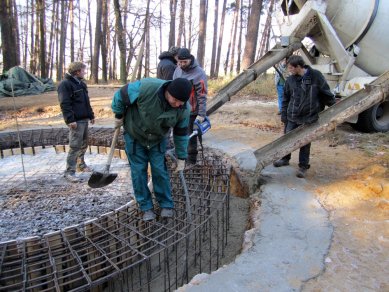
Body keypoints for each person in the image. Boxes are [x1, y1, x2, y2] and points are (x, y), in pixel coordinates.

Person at [111, 77, 192, 221]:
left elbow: (181, 134)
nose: (177, 104)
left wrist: (181, 157)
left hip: (157, 139)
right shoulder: (146, 88)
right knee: (139, 171)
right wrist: (118, 114)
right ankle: (145, 207)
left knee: (159, 170)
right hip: (135, 134)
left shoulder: (184, 109)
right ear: (168, 91)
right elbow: (121, 95)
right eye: (175, 100)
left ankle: (166, 205)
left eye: (181, 102)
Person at [273, 55, 336, 178]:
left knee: (305, 142)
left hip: (309, 117)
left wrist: (334, 108)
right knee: (287, 139)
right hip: (292, 116)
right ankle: (285, 159)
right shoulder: (290, 80)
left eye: (291, 68)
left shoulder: (316, 76)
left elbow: (326, 93)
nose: (289, 70)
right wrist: (284, 115)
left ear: (298, 67)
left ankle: (303, 166)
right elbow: (285, 98)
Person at [58, 62, 95, 183]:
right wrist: (70, 120)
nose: (85, 72)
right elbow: (65, 104)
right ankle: (69, 172)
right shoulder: (65, 84)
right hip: (76, 121)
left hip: (84, 119)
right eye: (84, 70)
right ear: (77, 71)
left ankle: (81, 165)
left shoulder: (81, 84)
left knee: (83, 144)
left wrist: (91, 115)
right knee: (74, 146)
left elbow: (86, 102)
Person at [173, 48, 207, 166]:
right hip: (179, 109)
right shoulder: (177, 70)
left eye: (184, 62)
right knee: (178, 135)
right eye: (180, 62)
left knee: (191, 138)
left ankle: (191, 162)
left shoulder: (199, 73)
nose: (182, 65)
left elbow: (202, 95)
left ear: (190, 60)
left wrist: (201, 114)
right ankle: (179, 160)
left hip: (192, 111)